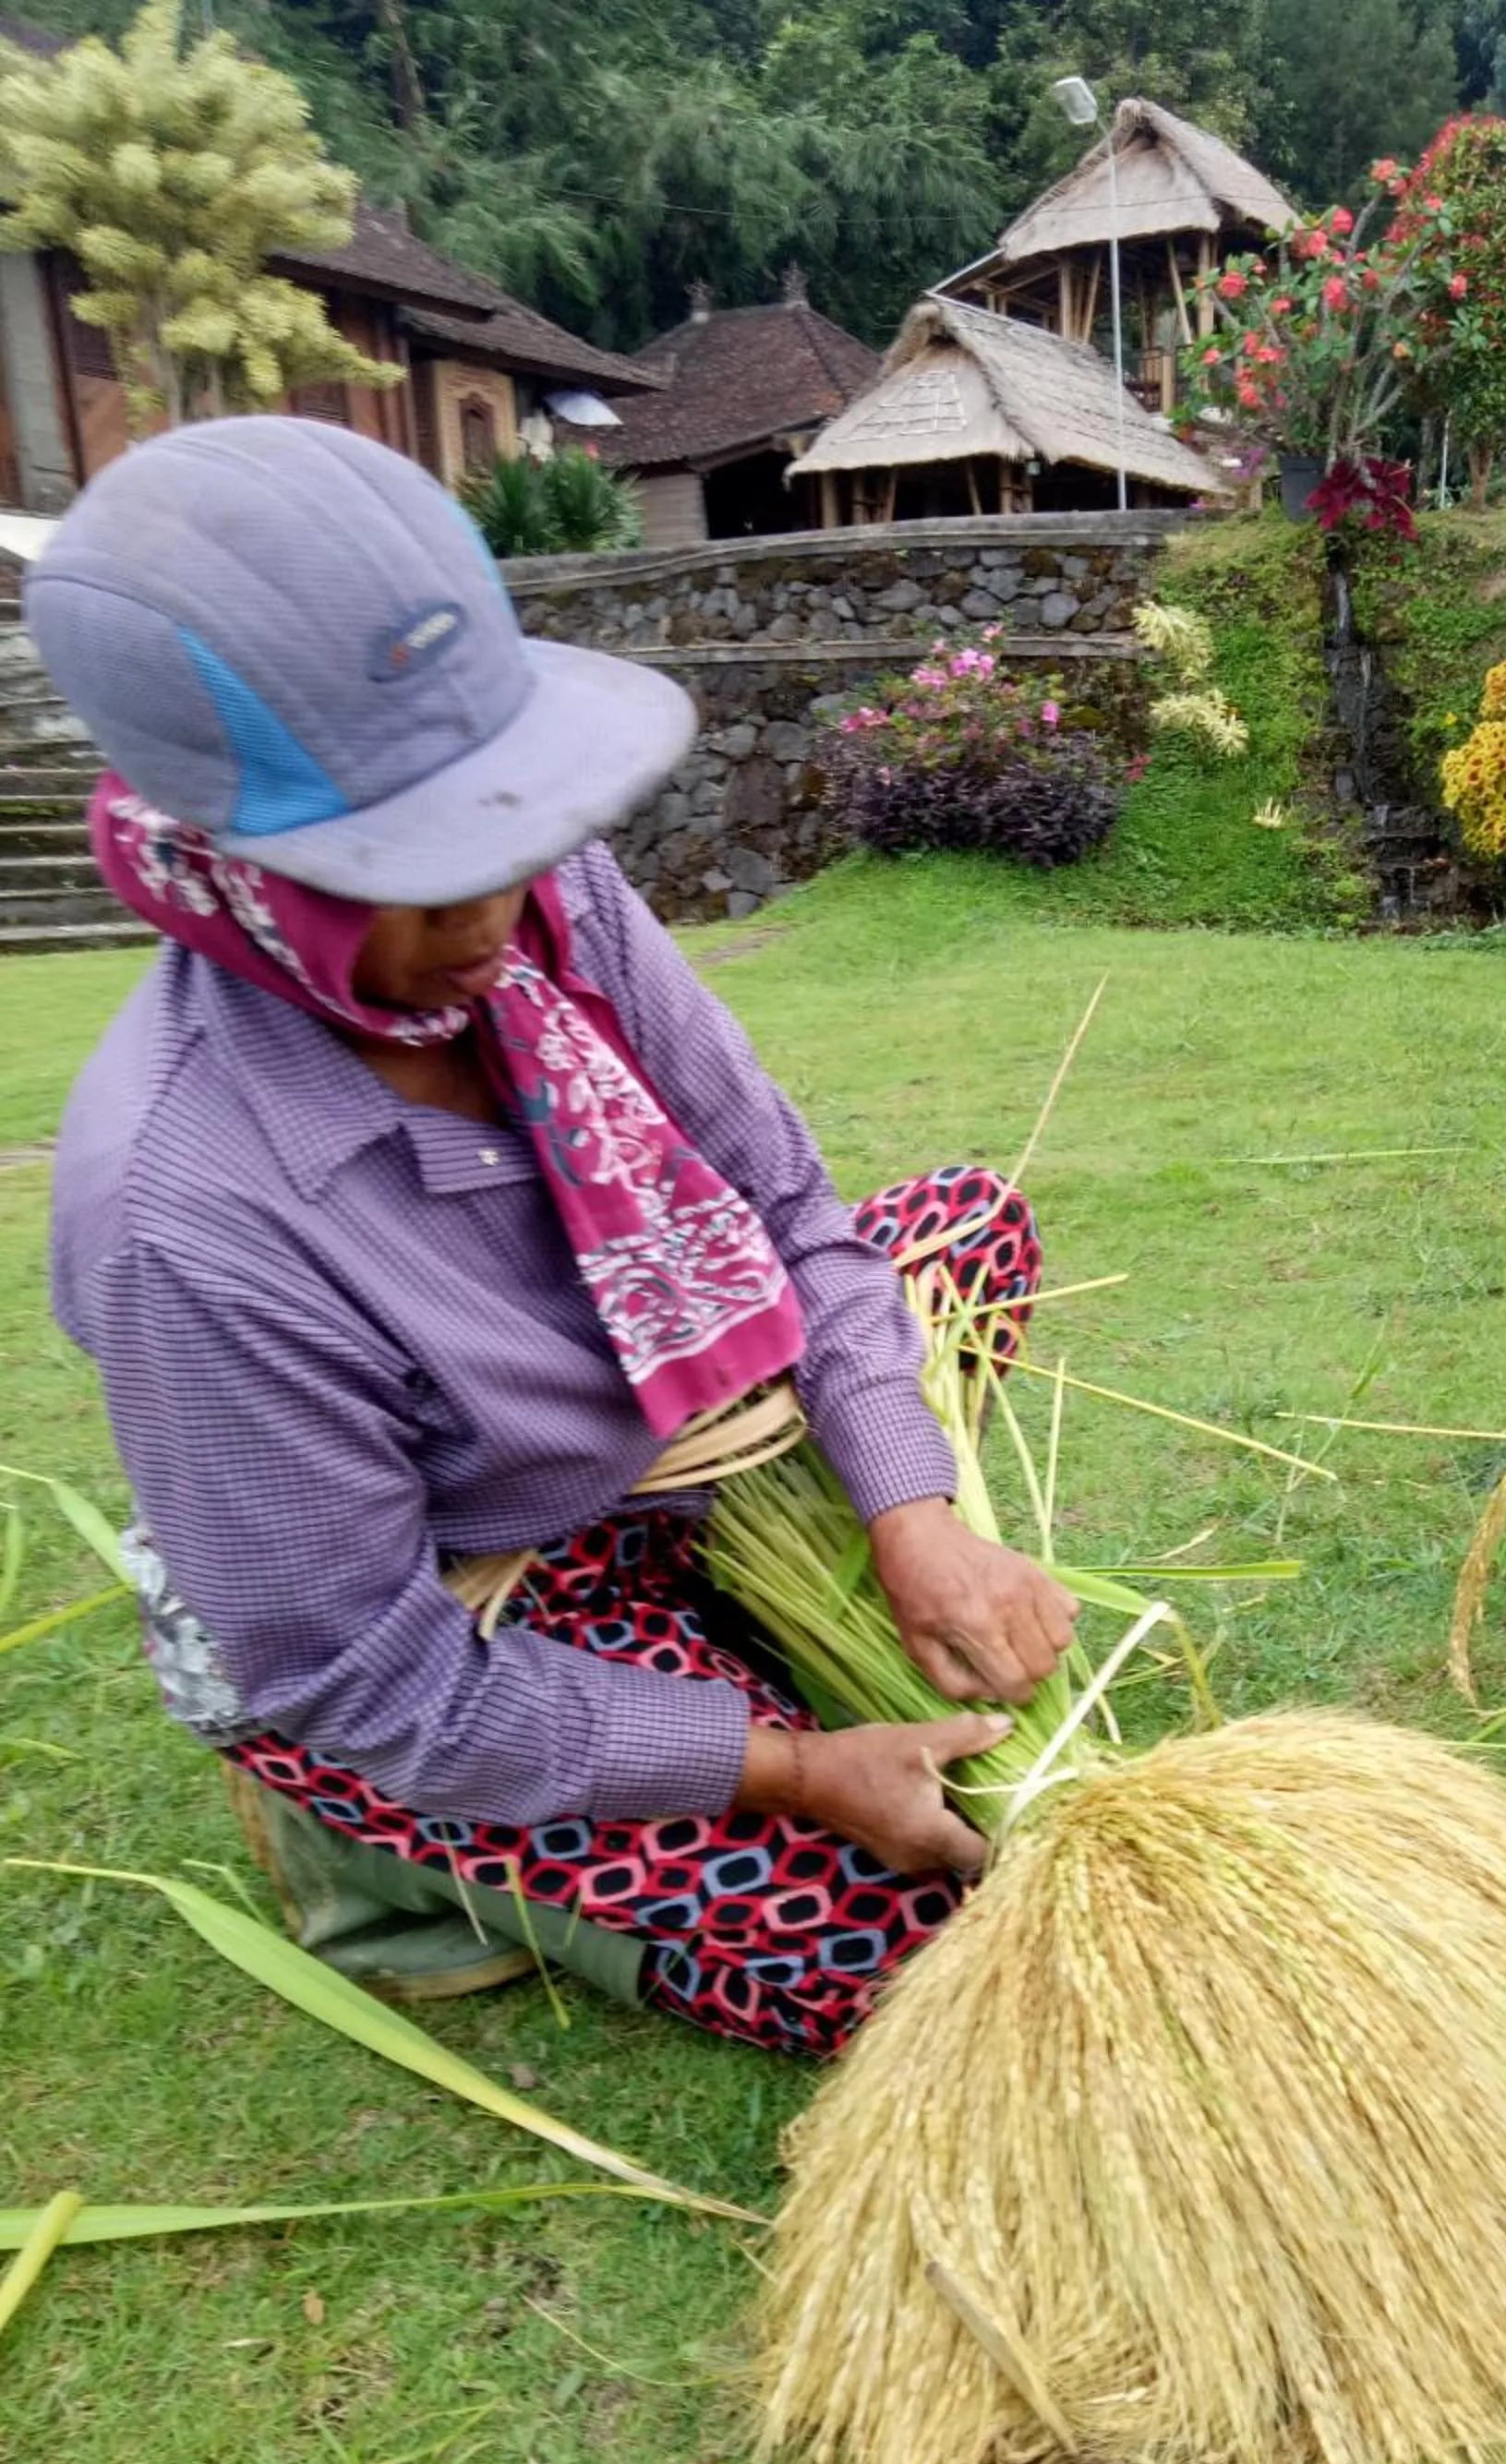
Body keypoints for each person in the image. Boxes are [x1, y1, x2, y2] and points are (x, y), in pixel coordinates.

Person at [32, 415, 1077, 2055]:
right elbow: (369, 1674)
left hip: (690, 1423)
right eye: (421, 878)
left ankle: (721, 1605)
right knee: (907, 1947)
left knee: (964, 1231)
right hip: (487, 1582)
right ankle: (373, 1849)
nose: (497, 931)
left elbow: (790, 1212)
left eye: (508, 849)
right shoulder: (192, 1218)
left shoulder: (540, 890)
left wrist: (909, 1512)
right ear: (240, 866)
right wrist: (794, 1768)